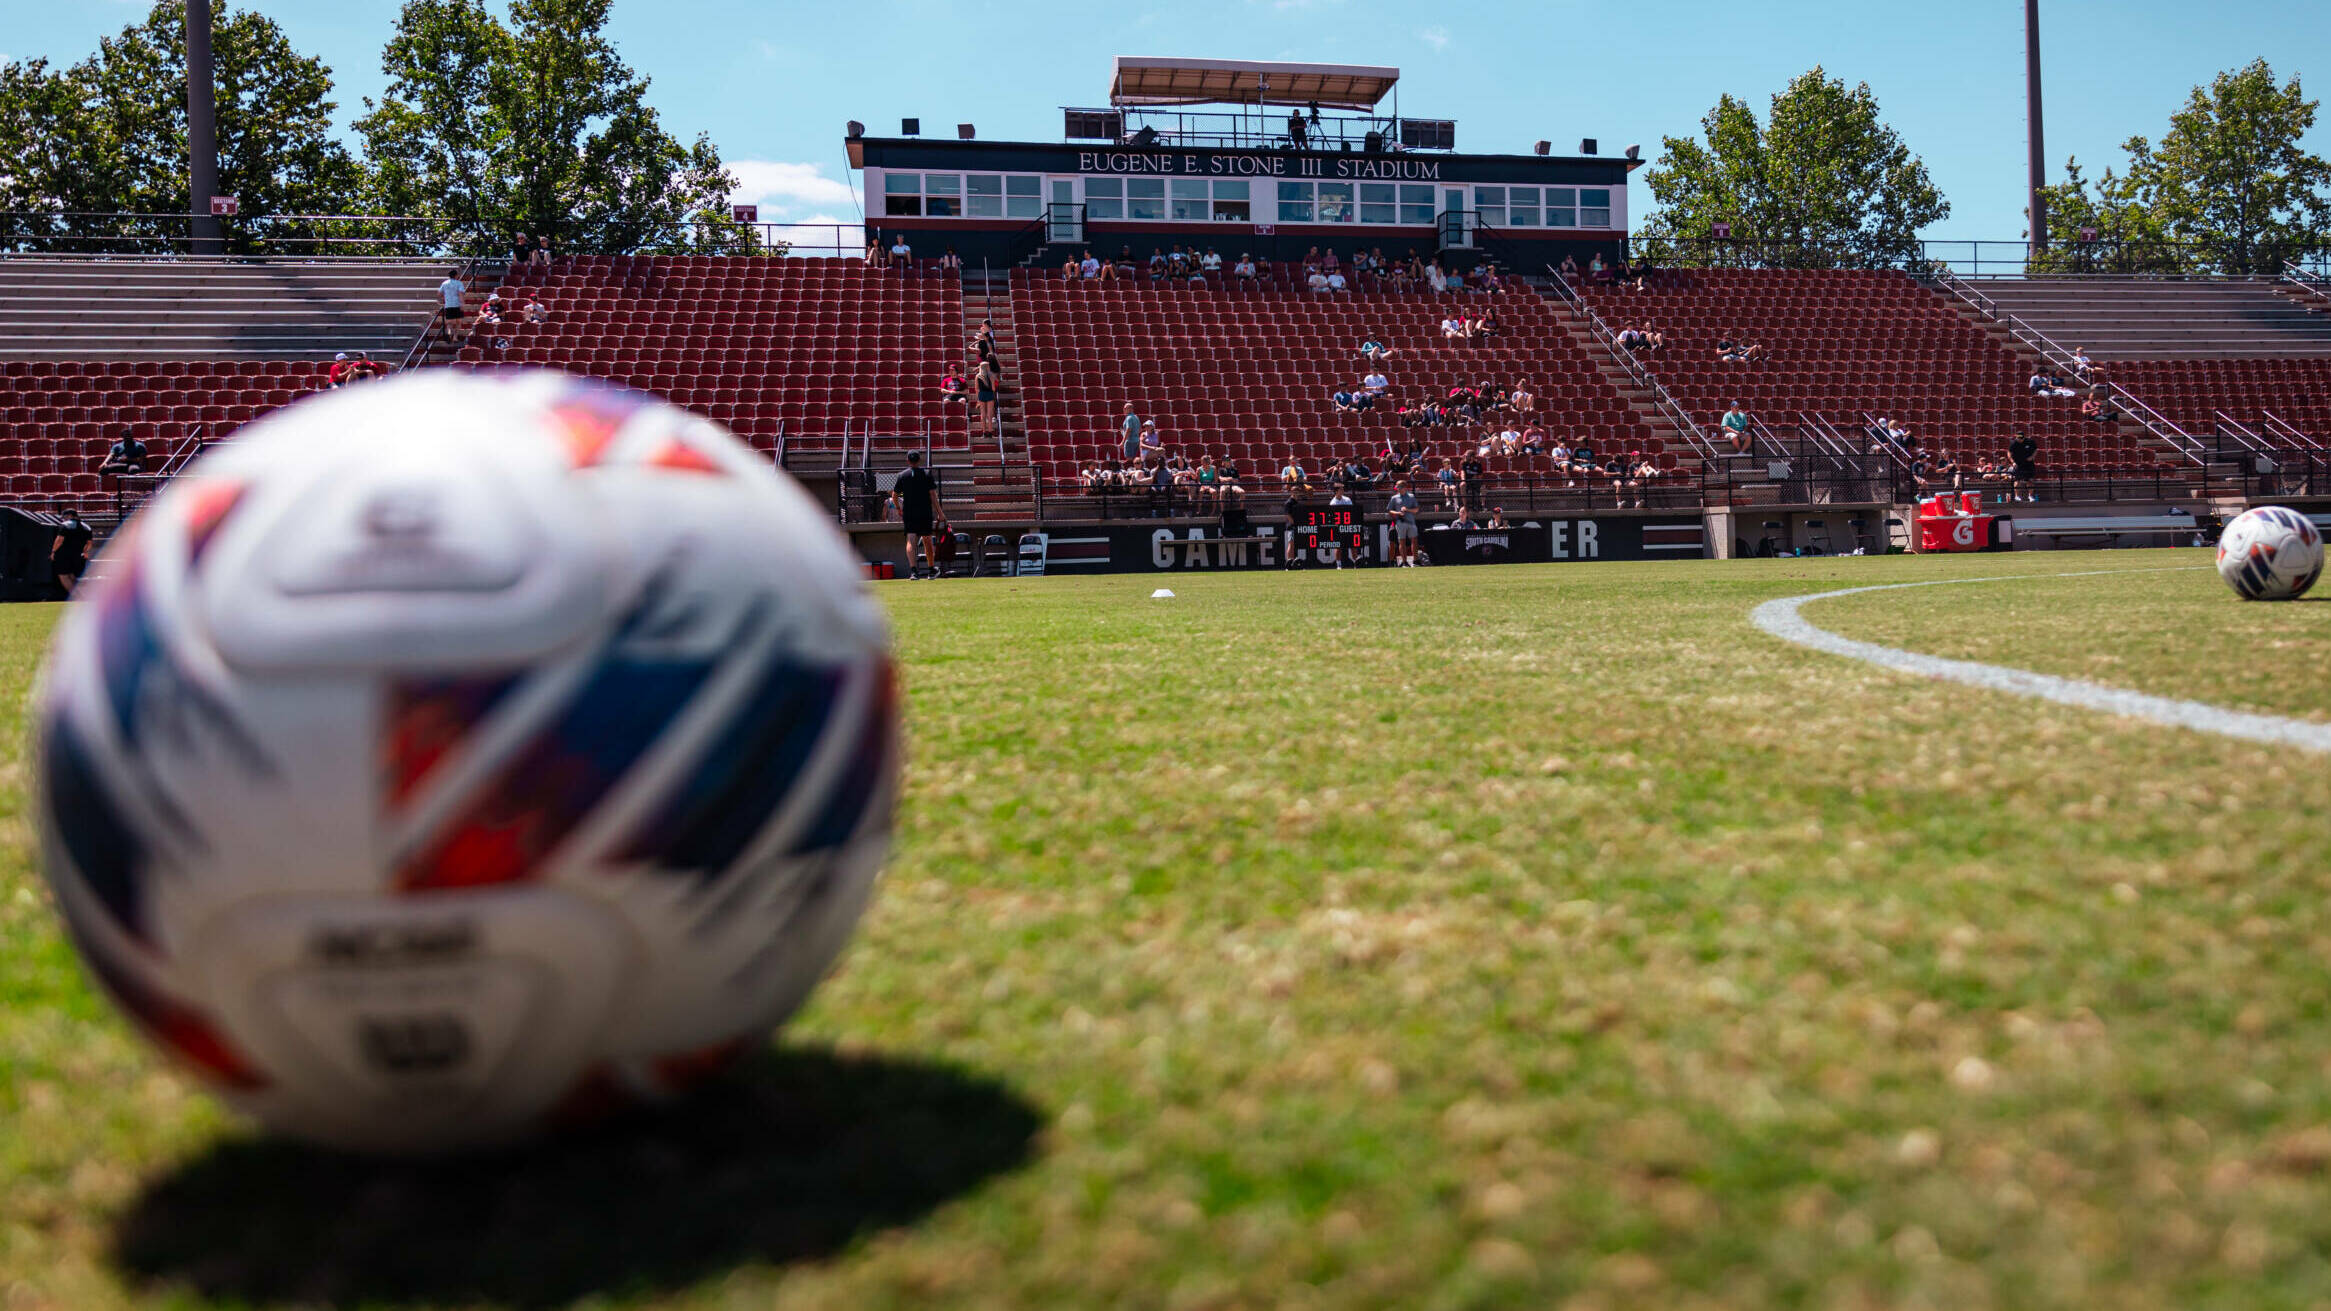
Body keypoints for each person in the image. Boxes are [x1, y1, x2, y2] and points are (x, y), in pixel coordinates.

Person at [893, 451, 939, 578]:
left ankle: (913, 571)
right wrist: (940, 513)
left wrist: (898, 508)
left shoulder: (902, 475)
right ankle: (931, 570)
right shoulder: (926, 474)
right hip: (925, 511)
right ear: (919, 460)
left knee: (911, 540)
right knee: (927, 540)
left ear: (908, 460)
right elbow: (933, 495)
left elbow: (894, 495)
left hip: (909, 512)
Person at [48, 506, 92, 596]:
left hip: (64, 554)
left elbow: (59, 540)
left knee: (63, 576)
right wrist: (85, 552)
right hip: (78, 555)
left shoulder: (65, 525)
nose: (64, 519)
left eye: (64, 517)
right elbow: (89, 543)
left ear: (69, 516)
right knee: (71, 575)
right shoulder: (87, 527)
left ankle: (75, 596)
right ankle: (80, 595)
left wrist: (53, 551)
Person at [1387, 479, 1421, 567]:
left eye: (1398, 487)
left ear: (1404, 487)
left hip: (1411, 522)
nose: (1397, 488)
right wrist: (1398, 513)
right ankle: (1404, 562)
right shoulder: (1394, 498)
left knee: (1414, 540)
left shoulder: (1411, 496)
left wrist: (1407, 510)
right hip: (1400, 522)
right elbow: (1390, 511)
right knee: (1401, 541)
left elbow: (1416, 510)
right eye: (1397, 487)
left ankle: (1416, 561)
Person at [2008, 431, 2040, 503]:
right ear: (2016, 437)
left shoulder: (2030, 442)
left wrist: (2032, 456)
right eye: (2018, 438)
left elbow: (2035, 450)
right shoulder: (2013, 443)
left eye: (2021, 438)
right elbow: (2009, 453)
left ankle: (2030, 496)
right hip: (2018, 464)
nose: (2020, 440)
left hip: (2028, 464)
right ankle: (2017, 496)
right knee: (2017, 480)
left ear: (2024, 437)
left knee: (2030, 480)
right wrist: (2013, 462)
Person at [438, 268, 466, 336]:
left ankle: (449, 331)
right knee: (458, 322)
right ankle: (455, 337)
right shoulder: (459, 283)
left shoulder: (444, 283)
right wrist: (462, 304)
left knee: (449, 322)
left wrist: (445, 297)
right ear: (456, 275)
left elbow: (439, 293)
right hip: (457, 304)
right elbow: (460, 293)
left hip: (448, 304)